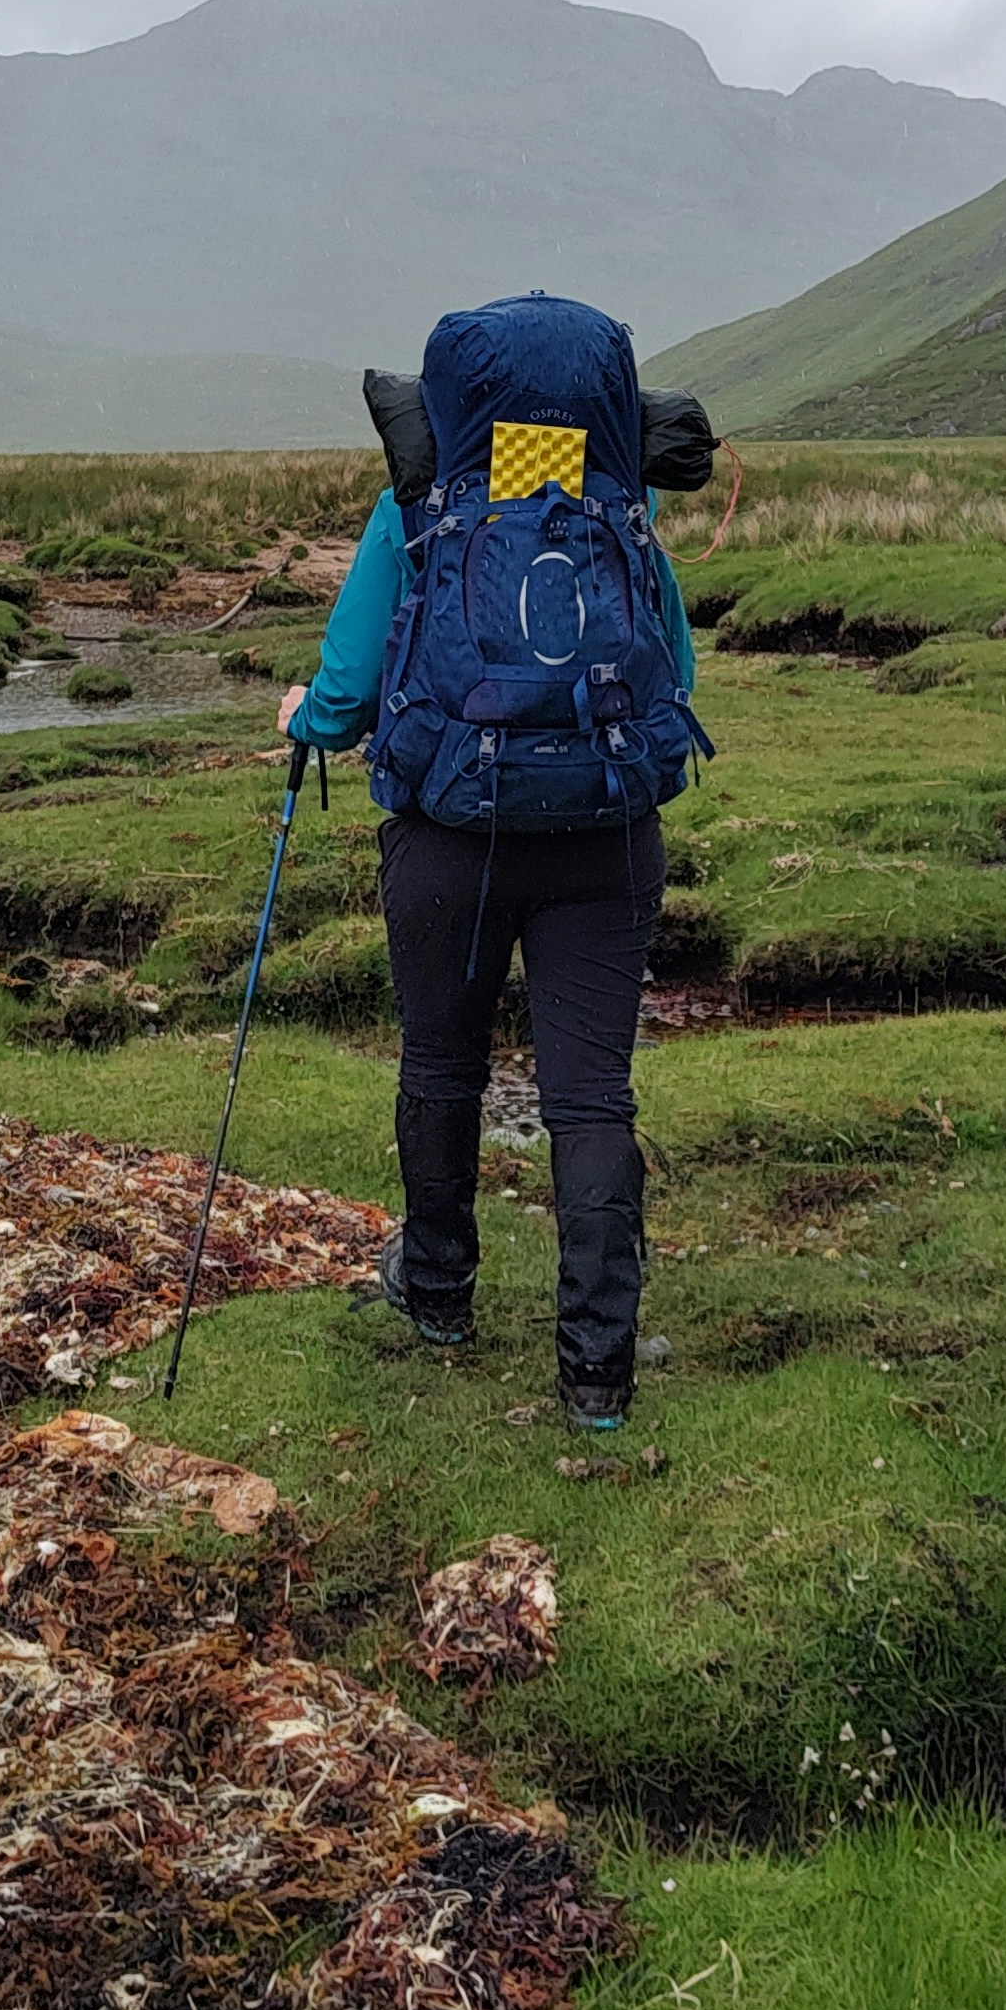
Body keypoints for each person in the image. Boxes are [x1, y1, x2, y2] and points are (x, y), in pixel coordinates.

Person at [277, 293, 710, 1431]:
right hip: (606, 838)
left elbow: (352, 679)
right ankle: (598, 1371)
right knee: (589, 1095)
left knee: (441, 1066)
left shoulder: (417, 506)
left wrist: (306, 721)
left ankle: (437, 1295)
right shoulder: (621, 505)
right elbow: (675, 672)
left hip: (446, 837)